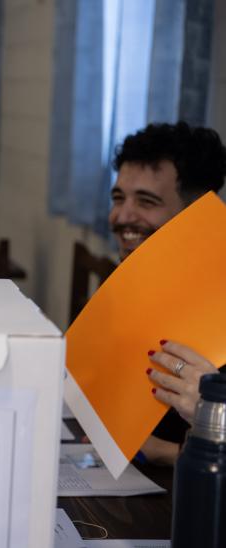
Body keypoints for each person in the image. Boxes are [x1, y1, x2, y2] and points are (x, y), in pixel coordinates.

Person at [107, 121, 226, 464]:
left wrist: (166, 452)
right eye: (118, 198)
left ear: (195, 216)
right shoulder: (127, 285)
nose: (123, 216)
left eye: (146, 201)